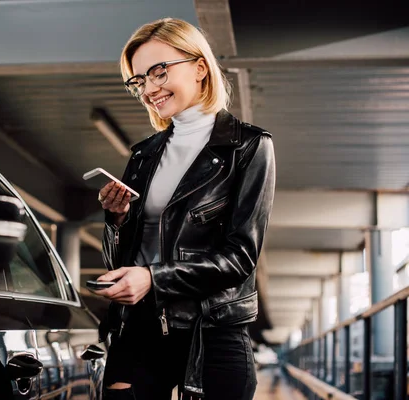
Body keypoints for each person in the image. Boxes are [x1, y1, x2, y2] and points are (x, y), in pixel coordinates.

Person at [92, 17, 276, 400]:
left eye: (159, 71)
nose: (150, 89)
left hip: (214, 334)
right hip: (139, 330)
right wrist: (117, 220)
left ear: (200, 67)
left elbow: (240, 257)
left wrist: (153, 277)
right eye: (139, 81)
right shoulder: (143, 154)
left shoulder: (248, 147)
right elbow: (120, 259)